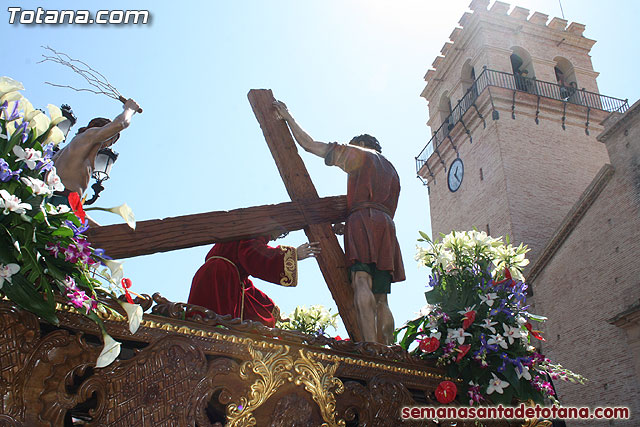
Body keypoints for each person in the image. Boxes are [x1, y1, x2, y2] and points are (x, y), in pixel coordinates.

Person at [273, 101, 405, 344]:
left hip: (362, 219)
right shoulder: (393, 172)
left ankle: (369, 347)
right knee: (382, 297)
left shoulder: (361, 155)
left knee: (361, 281)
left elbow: (310, 145)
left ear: (362, 145)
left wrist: (288, 117)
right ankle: (389, 349)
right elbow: (383, 209)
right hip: (386, 226)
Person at [187, 234, 320, 327]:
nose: (275, 238)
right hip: (219, 278)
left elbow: (246, 286)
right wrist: (293, 255)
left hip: (218, 277)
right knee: (212, 325)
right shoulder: (253, 229)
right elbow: (253, 255)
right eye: (279, 233)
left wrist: (271, 308)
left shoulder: (234, 267)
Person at [53, 98, 141, 198]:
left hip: (67, 199)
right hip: (63, 198)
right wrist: (129, 109)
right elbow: (121, 123)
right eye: (110, 139)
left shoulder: (69, 148)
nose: (107, 145)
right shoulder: (89, 136)